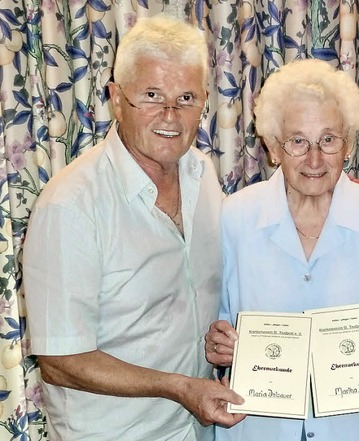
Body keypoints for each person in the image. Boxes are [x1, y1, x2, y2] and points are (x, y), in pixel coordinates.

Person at [23, 14, 244, 440]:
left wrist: (219, 337)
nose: (170, 115)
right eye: (151, 95)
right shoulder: (71, 204)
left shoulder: (203, 174)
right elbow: (60, 359)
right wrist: (179, 388)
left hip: (198, 430)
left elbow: (192, 299)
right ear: (116, 99)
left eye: (186, 98)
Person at [204, 58, 359, 441]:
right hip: (258, 427)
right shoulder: (233, 217)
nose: (315, 159)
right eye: (298, 141)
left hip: (357, 426)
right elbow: (215, 317)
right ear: (273, 147)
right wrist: (217, 342)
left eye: (328, 139)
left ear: (349, 144)